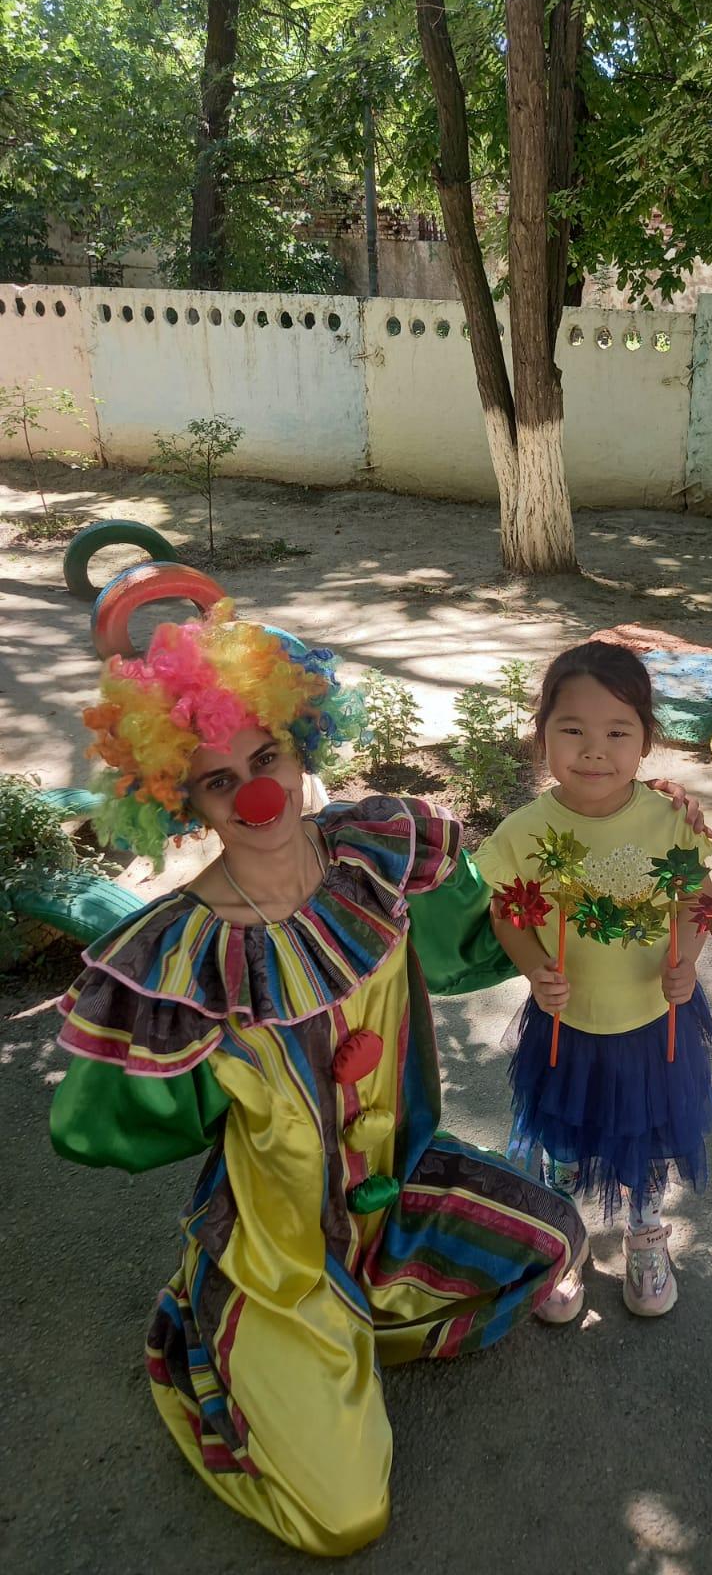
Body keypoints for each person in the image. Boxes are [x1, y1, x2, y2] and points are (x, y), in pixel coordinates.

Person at [48, 605, 591, 1558]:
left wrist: (612, 871)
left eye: (267, 760)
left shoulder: (371, 858)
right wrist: (210, 1063)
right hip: (280, 1250)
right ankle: (249, 1340)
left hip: (396, 1192)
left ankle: (367, 1319)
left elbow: (482, 929)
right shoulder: (182, 954)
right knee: (347, 1520)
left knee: (554, 1238)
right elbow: (99, 1125)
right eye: (219, 783)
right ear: (185, 801)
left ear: (300, 745)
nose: (255, 796)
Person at [474, 642, 712, 1321]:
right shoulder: (526, 831)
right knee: (563, 1142)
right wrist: (532, 966)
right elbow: (506, 910)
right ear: (543, 739)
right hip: (566, 1023)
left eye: (618, 732)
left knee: (645, 1142)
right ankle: (565, 1243)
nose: (594, 750)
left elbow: (692, 899)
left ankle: (646, 1237)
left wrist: (689, 957)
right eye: (572, 731)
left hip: (653, 1019)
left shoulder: (669, 819)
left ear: (646, 739)